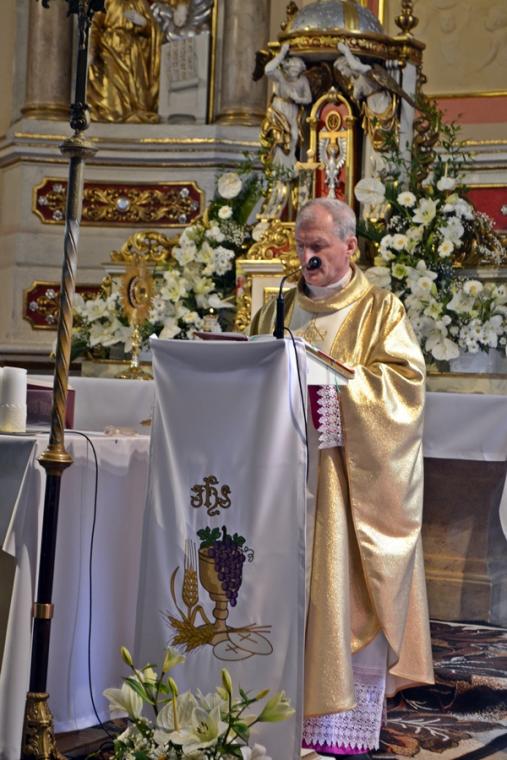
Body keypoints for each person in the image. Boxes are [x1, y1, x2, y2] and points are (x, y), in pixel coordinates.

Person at [250, 198, 434, 756]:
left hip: (344, 487)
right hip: (281, 480)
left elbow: (404, 385)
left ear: (350, 247)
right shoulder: (277, 309)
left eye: (319, 246)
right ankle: (269, 711)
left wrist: (337, 400)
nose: (307, 257)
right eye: (301, 246)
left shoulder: (380, 310)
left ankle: (339, 725)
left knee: (339, 587)